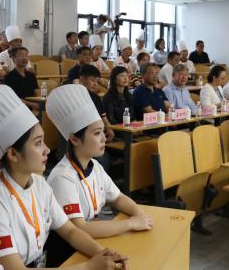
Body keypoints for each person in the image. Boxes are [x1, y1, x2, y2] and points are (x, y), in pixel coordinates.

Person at [0, 86, 128, 269]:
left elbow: (70, 230)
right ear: (13, 154)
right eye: (38, 143)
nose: (47, 149)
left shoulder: (39, 184)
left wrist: (103, 254)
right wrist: (89, 267)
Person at [46, 84, 152, 265]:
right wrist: (131, 223)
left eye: (102, 131)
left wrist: (138, 213)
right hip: (68, 254)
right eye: (96, 133)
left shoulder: (94, 166)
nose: (104, 138)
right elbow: (80, 228)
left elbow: (118, 198)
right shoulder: (62, 177)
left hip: (92, 243)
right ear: (74, 139)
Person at [2, 46, 41, 112]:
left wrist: (39, 103)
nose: (24, 58)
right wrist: (33, 105)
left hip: (33, 106)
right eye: (21, 55)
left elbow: (37, 92)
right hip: (17, 107)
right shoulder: (9, 77)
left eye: (26, 55)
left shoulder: (31, 75)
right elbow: (11, 98)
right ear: (13, 59)